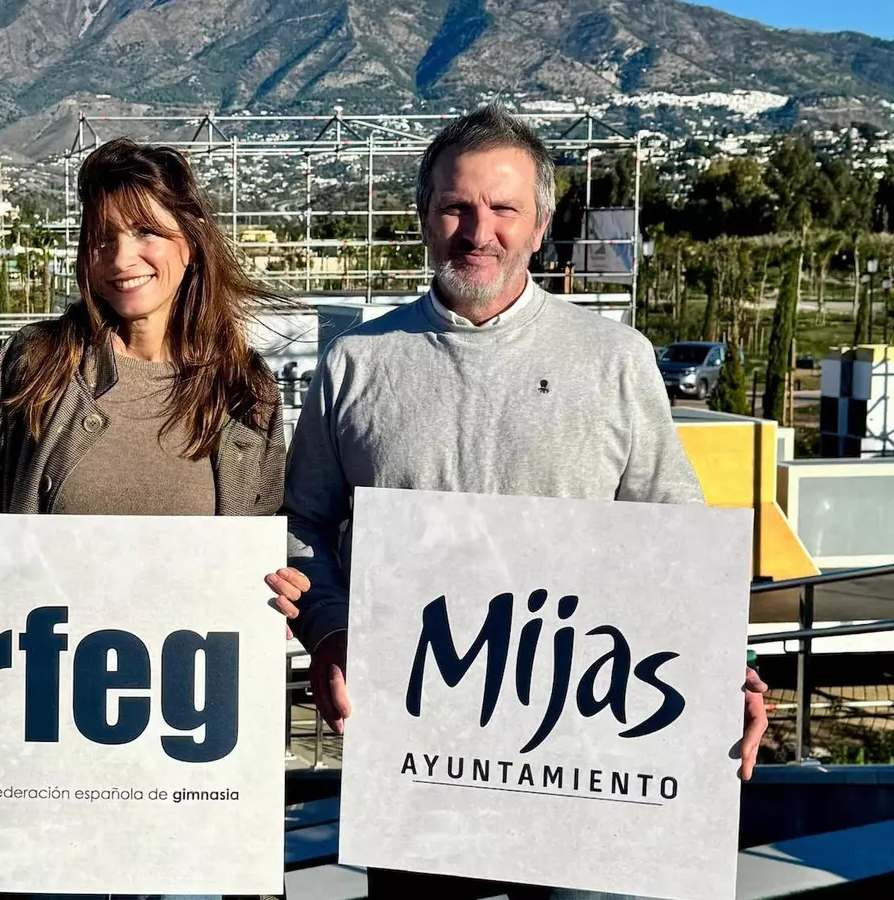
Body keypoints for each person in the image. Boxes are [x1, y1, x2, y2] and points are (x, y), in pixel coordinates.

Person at [277, 105, 770, 900]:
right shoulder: (356, 363)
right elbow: (302, 522)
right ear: (424, 217)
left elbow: (677, 542)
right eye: (456, 207)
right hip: (419, 756)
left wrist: (723, 670)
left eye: (504, 208)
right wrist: (329, 627)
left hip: (585, 755)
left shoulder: (615, 360)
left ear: (540, 226)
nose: (480, 232)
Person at [0, 137, 308, 900]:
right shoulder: (37, 365)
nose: (121, 257)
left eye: (145, 233)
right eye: (102, 238)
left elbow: (270, 525)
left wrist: (286, 586)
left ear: (191, 245)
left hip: (188, 728)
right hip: (48, 724)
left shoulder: (244, 389)